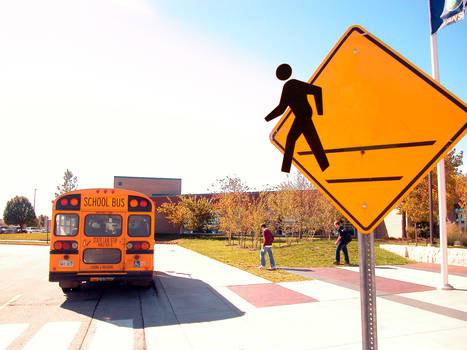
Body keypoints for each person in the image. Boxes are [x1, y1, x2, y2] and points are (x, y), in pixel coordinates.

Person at [265, 63, 329, 173]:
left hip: (304, 115)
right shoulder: (290, 86)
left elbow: (317, 90)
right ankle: (325, 166)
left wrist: (320, 113)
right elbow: (281, 108)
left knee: (292, 139)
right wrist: (267, 118)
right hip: (302, 115)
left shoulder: (292, 85)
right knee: (311, 140)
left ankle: (286, 169)